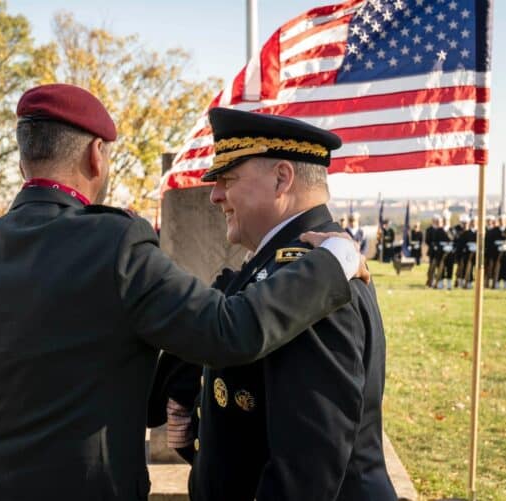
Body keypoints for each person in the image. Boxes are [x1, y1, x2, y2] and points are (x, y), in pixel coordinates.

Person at [0, 83, 366, 501]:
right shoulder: (113, 245)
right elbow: (227, 330)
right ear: (95, 156)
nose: (216, 196)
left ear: (23, 162)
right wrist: (336, 262)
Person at [149, 108, 394, 501]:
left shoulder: (310, 276)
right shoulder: (289, 265)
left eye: (227, 179)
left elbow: (307, 468)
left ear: (282, 179)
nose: (214, 195)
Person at [424, 215, 440, 287]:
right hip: (432, 251)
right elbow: (427, 241)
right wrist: (433, 245)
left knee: (438, 267)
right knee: (431, 266)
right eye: (435, 220)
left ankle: (437, 281)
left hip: (439, 251)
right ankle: (430, 280)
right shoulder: (429, 229)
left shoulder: (440, 229)